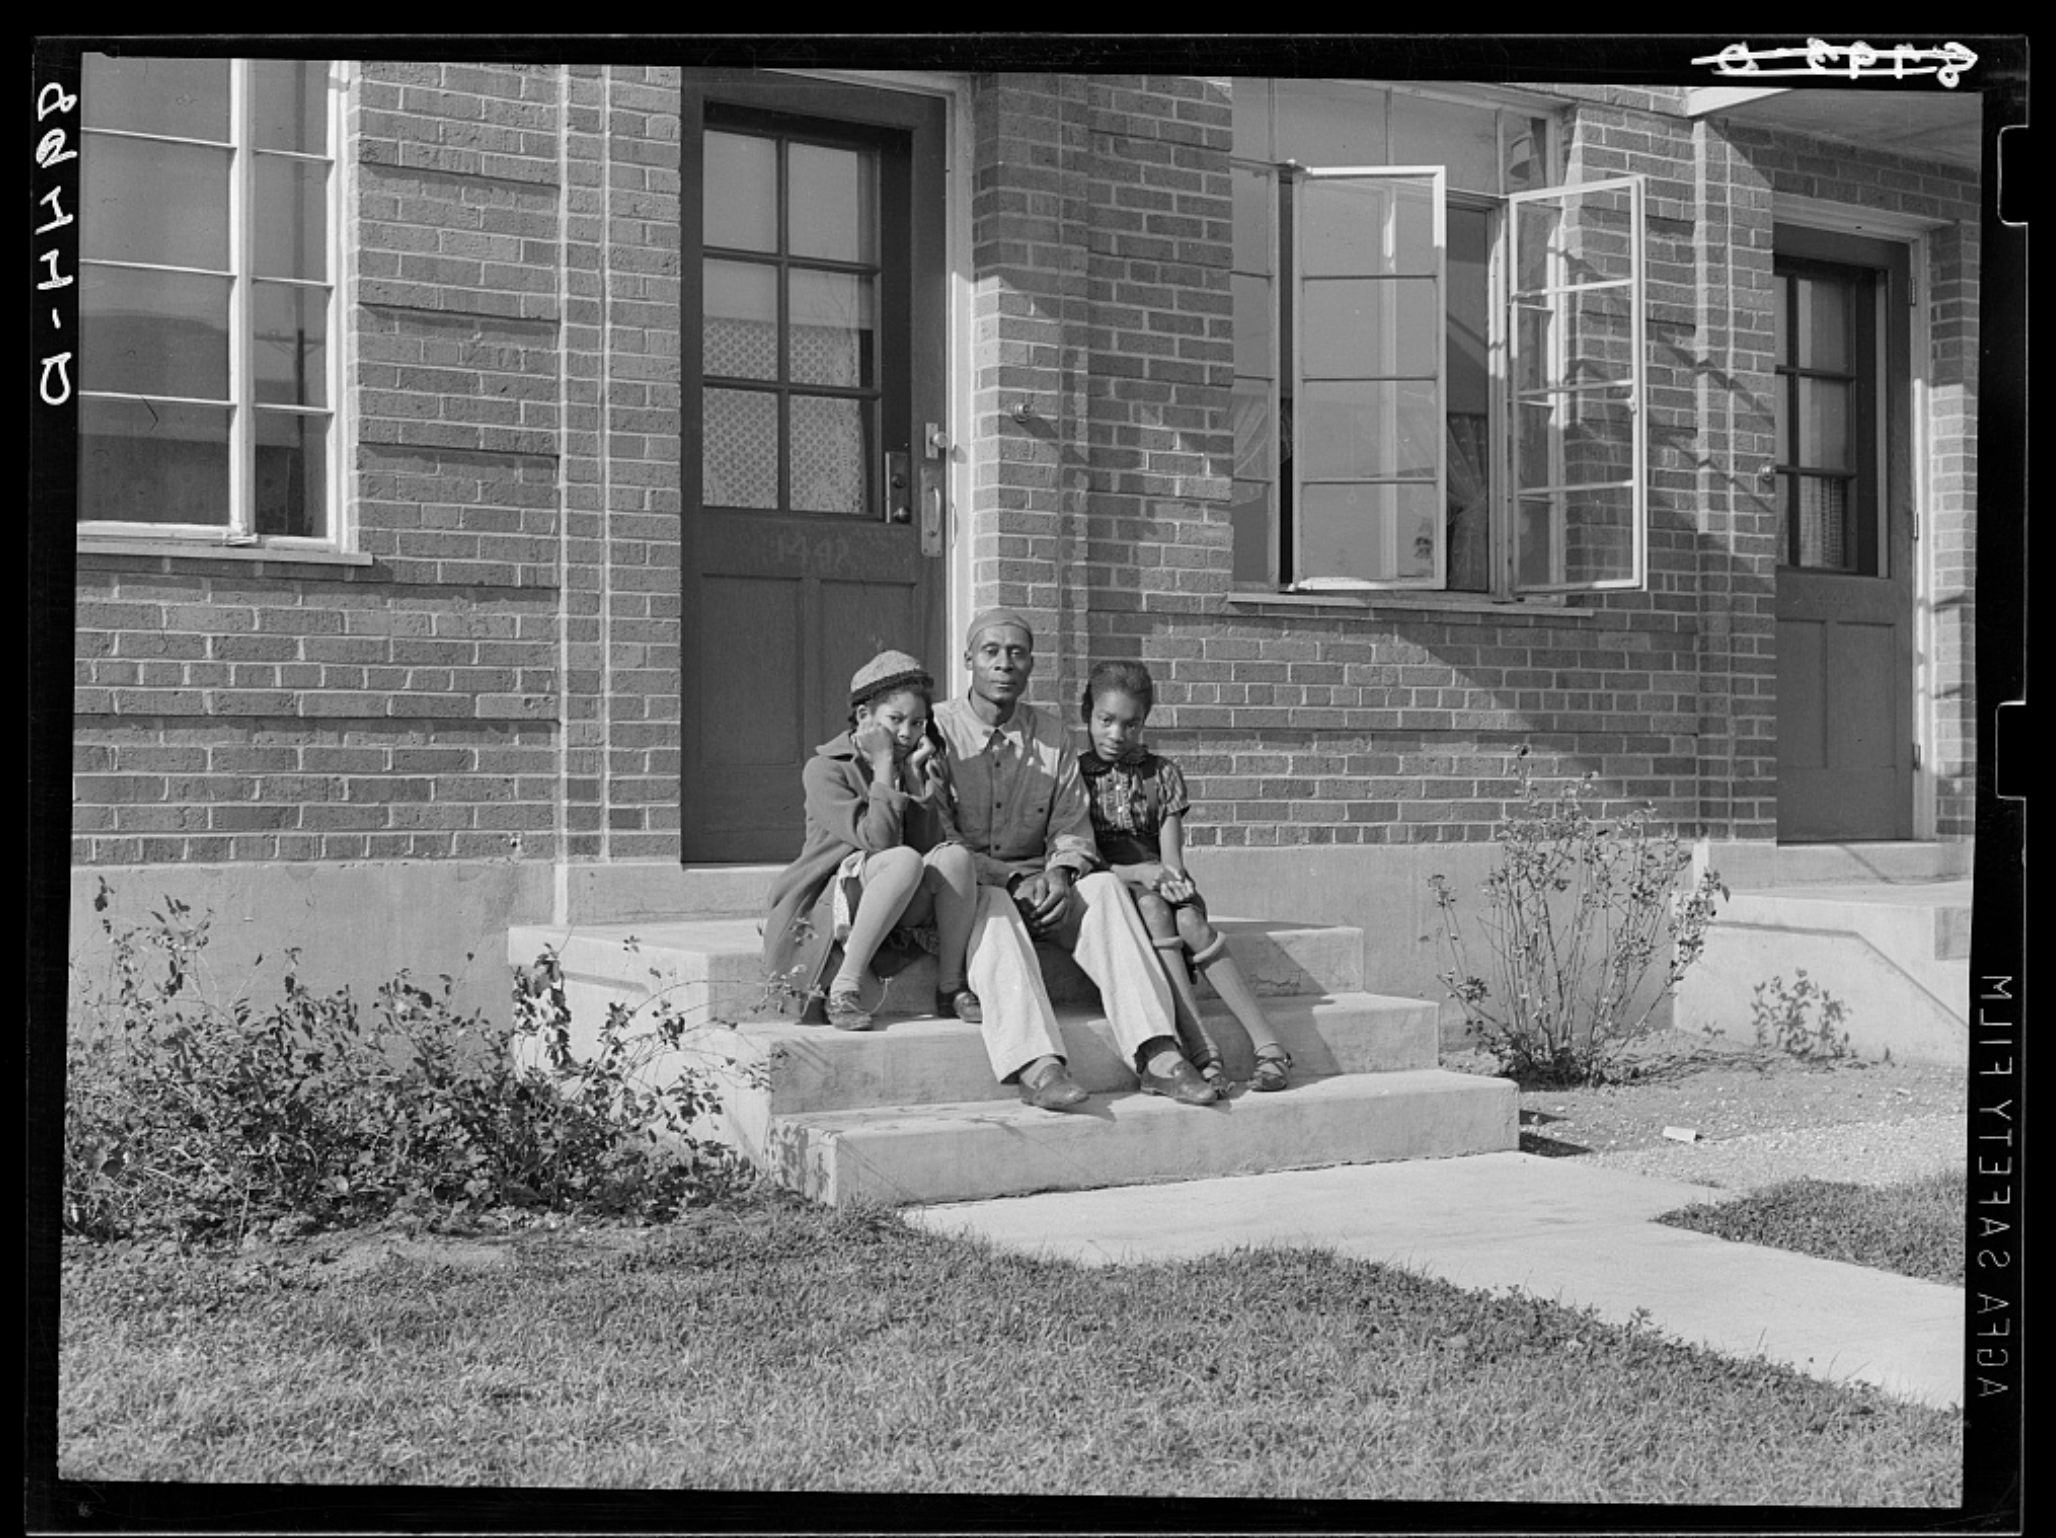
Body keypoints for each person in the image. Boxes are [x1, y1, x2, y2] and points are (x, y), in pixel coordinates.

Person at [930, 609, 1220, 1111]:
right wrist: (1015, 877)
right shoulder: (938, 729)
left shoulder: (1050, 734)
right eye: (991, 652)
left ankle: (1158, 1052)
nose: (1004, 664)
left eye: (1017, 653)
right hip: (975, 891)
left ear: (1031, 665)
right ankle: (1039, 1066)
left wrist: (1062, 874)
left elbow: (1071, 823)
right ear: (968, 660)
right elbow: (938, 839)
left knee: (1106, 890)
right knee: (996, 911)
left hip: (1045, 884)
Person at [1078, 660, 1293, 1092]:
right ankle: (1203, 1052)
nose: (1118, 736)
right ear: (1087, 713)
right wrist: (1140, 874)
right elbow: (1085, 859)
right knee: (1154, 909)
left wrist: (1171, 878)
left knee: (1189, 918)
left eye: (1131, 725)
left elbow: (1171, 855)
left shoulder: (1161, 773)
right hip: (1114, 886)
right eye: (1106, 721)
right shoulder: (1076, 776)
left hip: (1159, 879)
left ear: (1144, 724)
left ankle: (1270, 1048)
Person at [762, 650, 982, 1031]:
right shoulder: (826, 768)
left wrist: (915, 783)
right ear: (864, 717)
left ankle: (951, 985)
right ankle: (844, 989)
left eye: (917, 723)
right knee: (902, 860)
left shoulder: (909, 762)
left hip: (893, 896)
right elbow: (877, 841)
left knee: (956, 858)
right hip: (835, 898)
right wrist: (882, 767)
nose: (906, 734)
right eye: (895, 720)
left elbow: (929, 846)